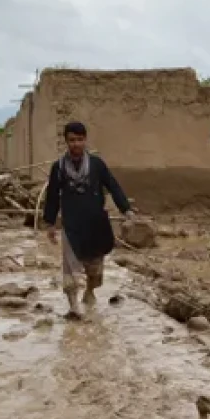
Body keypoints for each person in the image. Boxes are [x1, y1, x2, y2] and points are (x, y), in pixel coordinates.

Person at [42, 121, 135, 318]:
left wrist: (126, 209)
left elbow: (113, 186)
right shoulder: (58, 167)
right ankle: (73, 307)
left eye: (80, 139)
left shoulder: (96, 165)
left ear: (85, 140)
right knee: (70, 269)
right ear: (66, 142)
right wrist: (50, 224)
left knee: (95, 270)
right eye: (72, 140)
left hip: (95, 225)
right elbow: (52, 196)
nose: (76, 144)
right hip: (71, 225)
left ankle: (90, 291)